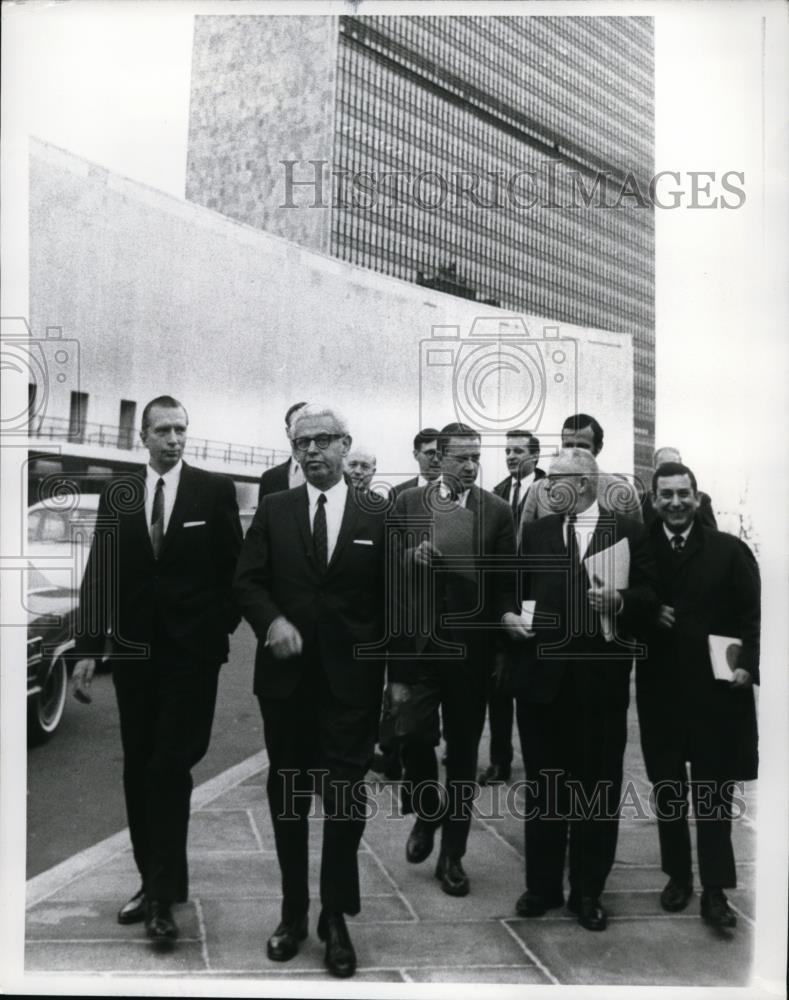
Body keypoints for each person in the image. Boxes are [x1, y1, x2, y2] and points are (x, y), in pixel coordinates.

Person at [71, 396, 243, 944]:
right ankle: (155, 880)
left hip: (192, 657)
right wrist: (87, 647)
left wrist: (216, 630)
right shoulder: (119, 493)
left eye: (181, 429)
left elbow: (233, 568)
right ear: (143, 437)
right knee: (140, 767)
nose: (174, 438)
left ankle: (162, 898)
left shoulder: (212, 490)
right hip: (135, 654)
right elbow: (102, 567)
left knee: (170, 765)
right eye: (163, 430)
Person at [234, 404, 388, 978]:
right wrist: (270, 620)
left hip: (352, 685)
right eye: (304, 443)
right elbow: (247, 581)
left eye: (325, 440)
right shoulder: (274, 510)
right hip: (288, 686)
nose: (314, 451)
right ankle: (293, 911)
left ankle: (335, 916)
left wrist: (396, 681)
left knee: (346, 800)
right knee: (291, 797)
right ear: (294, 450)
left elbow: (393, 602)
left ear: (346, 445)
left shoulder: (378, 512)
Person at [504, 448, 658, 931]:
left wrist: (621, 599)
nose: (548, 488)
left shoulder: (629, 531)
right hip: (541, 684)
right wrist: (507, 617)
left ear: (587, 483)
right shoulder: (536, 532)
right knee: (545, 789)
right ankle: (543, 886)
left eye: (557, 481)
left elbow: (652, 597)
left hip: (599, 685)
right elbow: (511, 590)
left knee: (596, 790)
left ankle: (588, 891)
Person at [390, 422, 516, 897]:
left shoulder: (497, 511)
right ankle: (427, 809)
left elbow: (507, 585)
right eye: (461, 457)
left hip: (471, 652)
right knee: (413, 734)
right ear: (438, 458)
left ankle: (452, 857)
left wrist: (503, 650)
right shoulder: (406, 505)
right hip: (420, 648)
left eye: (475, 457)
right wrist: (410, 558)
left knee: (463, 755)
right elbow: (389, 572)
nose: (470, 465)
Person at [635, 462, 759, 929]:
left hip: (715, 696)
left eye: (682, 493)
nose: (675, 502)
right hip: (661, 691)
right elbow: (623, 608)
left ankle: (715, 891)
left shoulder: (729, 551)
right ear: (653, 500)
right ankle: (678, 877)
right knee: (668, 789)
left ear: (696, 495)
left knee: (714, 794)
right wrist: (648, 614)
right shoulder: (640, 550)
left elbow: (752, 616)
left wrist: (748, 663)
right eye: (665, 494)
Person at [478, 430, 546, 786]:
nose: (510, 456)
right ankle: (499, 760)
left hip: (537, 597)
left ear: (535, 456)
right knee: (499, 686)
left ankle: (540, 759)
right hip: (503, 600)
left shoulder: (550, 489)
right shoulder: (497, 494)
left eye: (518, 451)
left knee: (534, 684)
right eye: (507, 450)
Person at [521, 413, 643, 522]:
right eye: (568, 445)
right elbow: (525, 543)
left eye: (582, 447)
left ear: (598, 448)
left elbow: (634, 542)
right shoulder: (538, 490)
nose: (574, 452)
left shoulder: (622, 492)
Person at [640, 447, 717, 528]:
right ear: (654, 468)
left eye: (675, 465)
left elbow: (712, 536)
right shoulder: (644, 500)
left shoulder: (701, 499)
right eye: (664, 466)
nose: (670, 470)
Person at [257, 401, 307, 504]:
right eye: (297, 426)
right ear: (288, 432)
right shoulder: (269, 479)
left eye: (310, 425)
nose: (305, 432)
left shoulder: (335, 476)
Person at [390, 427, 442, 497]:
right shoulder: (398, 492)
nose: (436, 459)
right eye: (430, 453)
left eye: (440, 453)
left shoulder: (456, 490)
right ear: (416, 454)